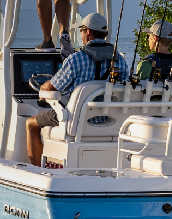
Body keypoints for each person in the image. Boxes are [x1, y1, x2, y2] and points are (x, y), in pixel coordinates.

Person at [25, 12, 127, 166]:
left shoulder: (76, 59)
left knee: (31, 123)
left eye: (81, 31)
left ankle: (35, 170)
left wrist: (43, 89)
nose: (81, 35)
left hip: (77, 121)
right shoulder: (121, 60)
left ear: (88, 32)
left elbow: (53, 87)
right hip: (110, 124)